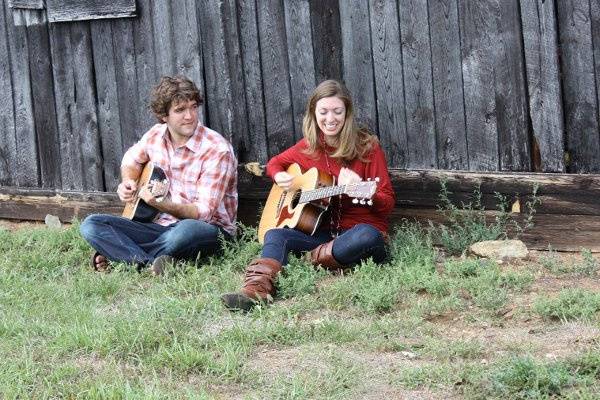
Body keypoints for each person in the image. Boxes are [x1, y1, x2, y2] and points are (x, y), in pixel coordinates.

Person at [222, 79, 395, 311]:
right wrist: (278, 176)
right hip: (324, 236)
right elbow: (275, 163)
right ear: (313, 113)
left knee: (367, 235)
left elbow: (387, 203)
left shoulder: (367, 147)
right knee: (276, 233)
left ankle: (307, 260)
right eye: (323, 112)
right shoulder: (310, 146)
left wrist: (364, 191)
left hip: (358, 233)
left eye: (337, 111)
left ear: (347, 113)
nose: (330, 119)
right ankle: (256, 291)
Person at [80, 75, 237, 275]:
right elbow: (130, 160)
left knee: (184, 233)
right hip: (157, 226)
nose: (189, 116)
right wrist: (129, 181)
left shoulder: (217, 149)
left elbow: (203, 213)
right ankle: (150, 264)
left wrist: (160, 204)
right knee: (92, 224)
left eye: (193, 107)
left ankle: (122, 255)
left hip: (208, 230)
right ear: (164, 115)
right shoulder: (155, 135)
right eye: (180, 110)